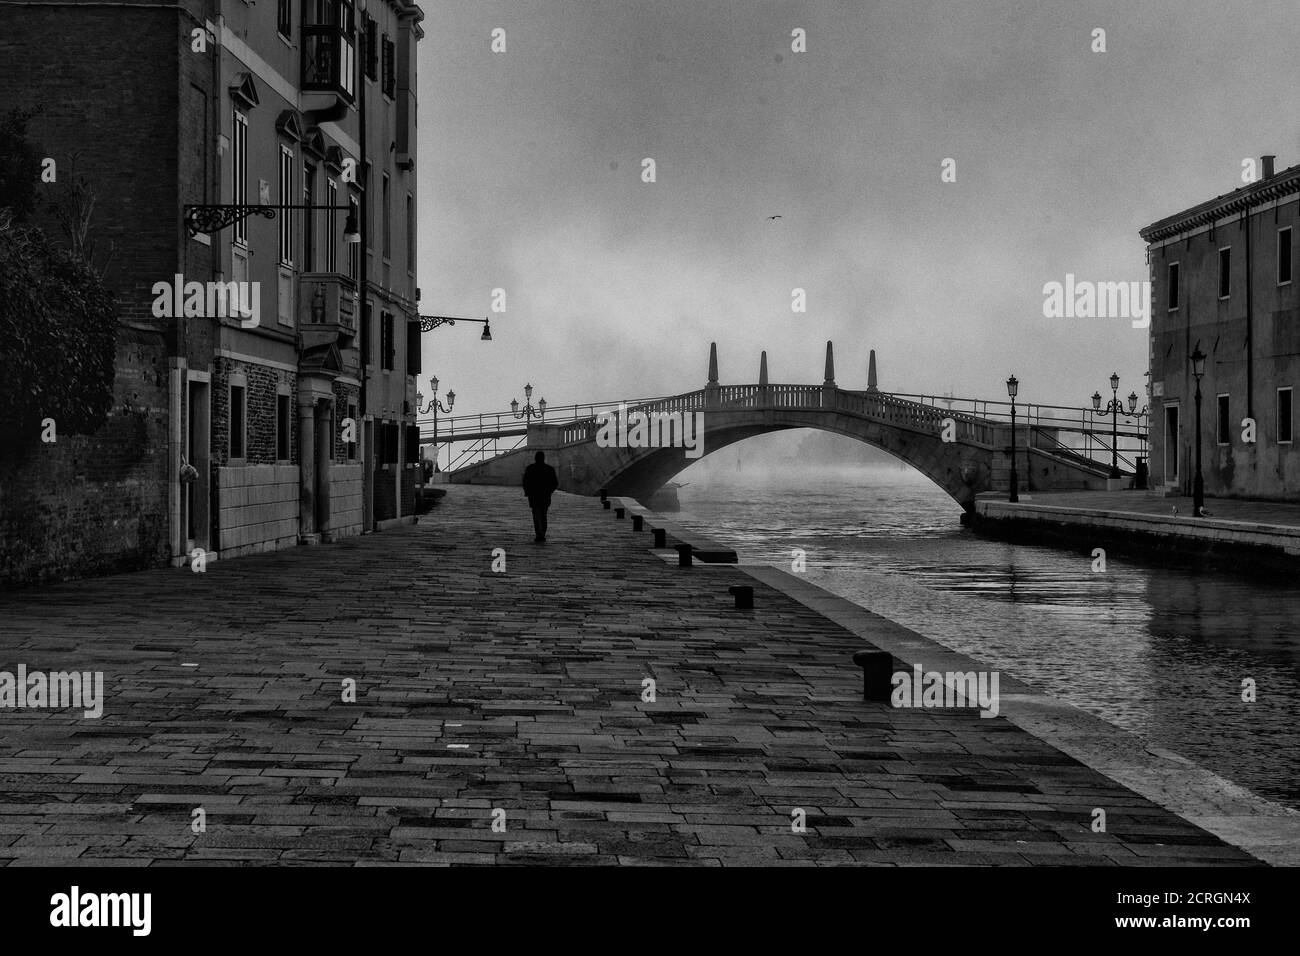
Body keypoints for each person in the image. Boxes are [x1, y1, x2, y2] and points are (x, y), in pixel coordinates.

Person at [521, 451, 559, 542]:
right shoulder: (549, 469)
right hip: (545, 496)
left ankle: (539, 534)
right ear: (543, 458)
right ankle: (542, 534)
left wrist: (527, 492)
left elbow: (525, 482)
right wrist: (549, 491)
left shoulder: (530, 468)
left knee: (536, 515)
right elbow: (555, 483)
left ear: (535, 458)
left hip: (534, 496)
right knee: (543, 514)